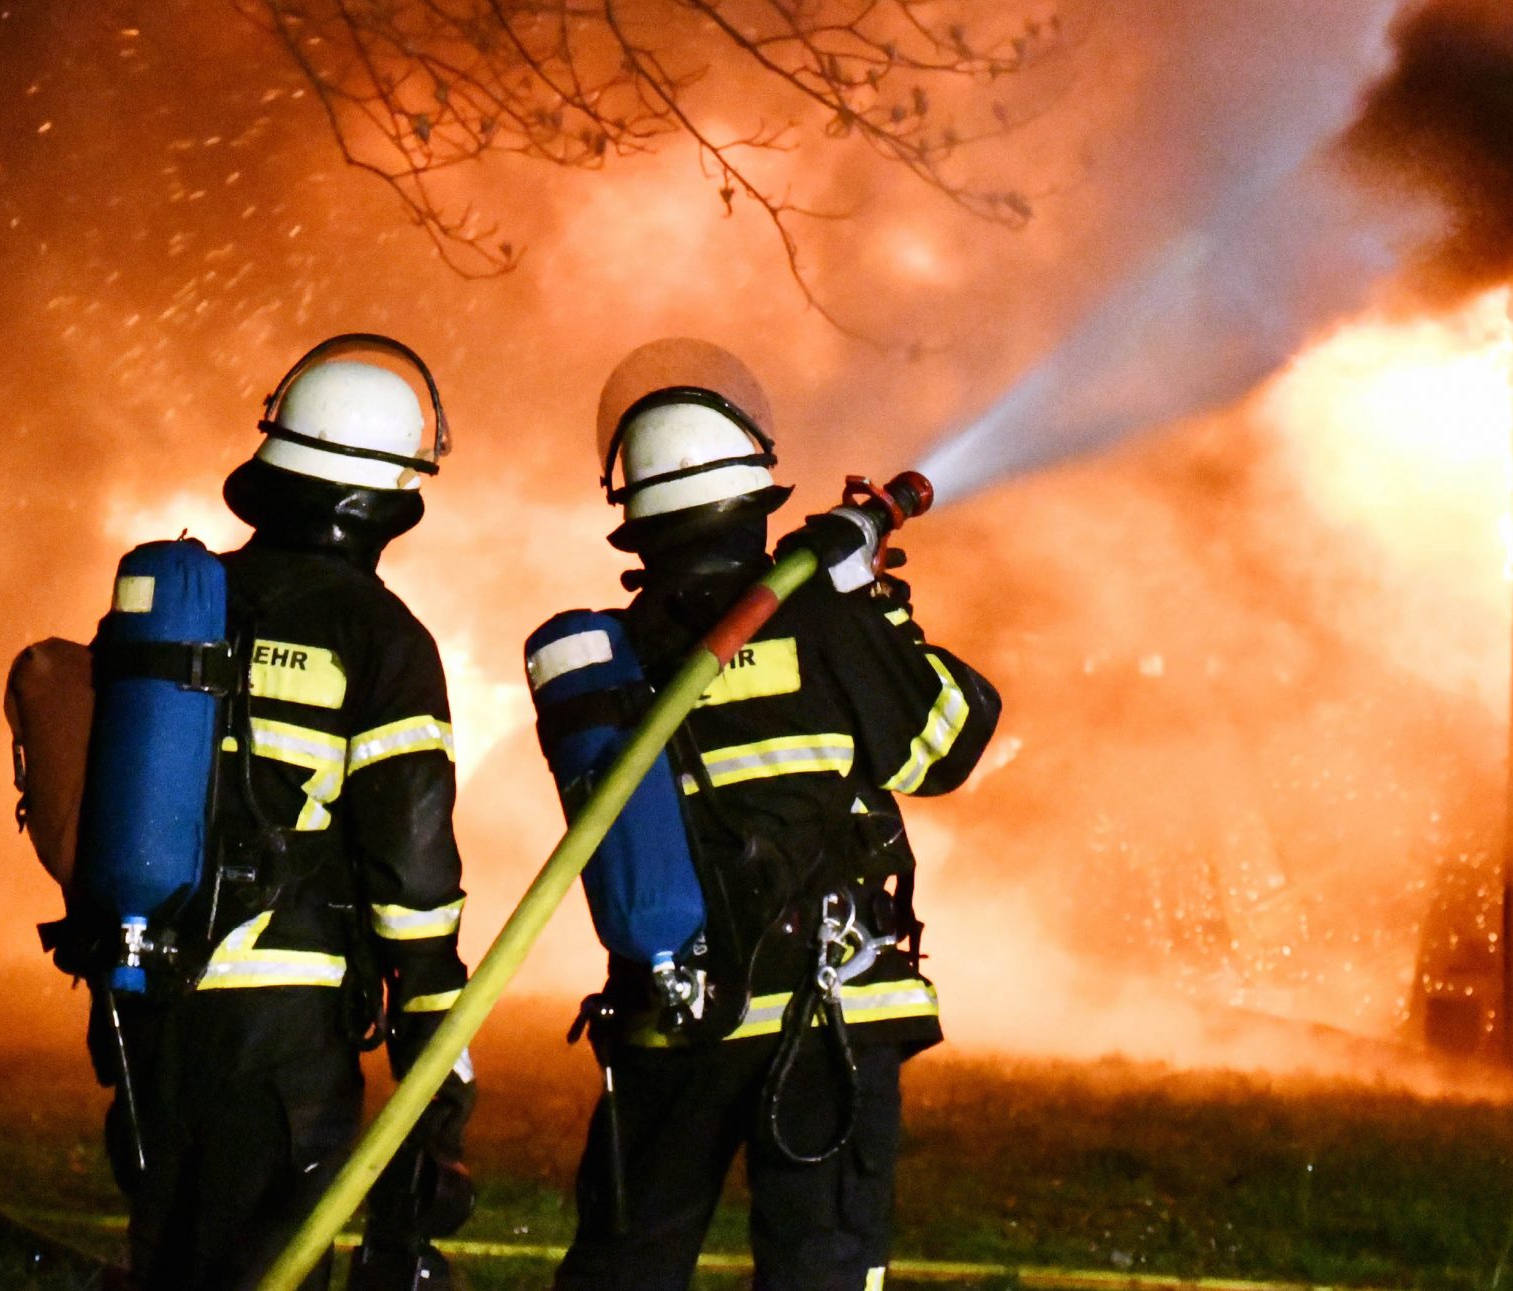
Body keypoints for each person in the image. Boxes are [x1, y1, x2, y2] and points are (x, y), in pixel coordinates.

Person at [543, 339, 1002, 1291]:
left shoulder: (621, 656)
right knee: (820, 1270)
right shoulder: (824, 624)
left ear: (636, 518)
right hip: (825, 1013)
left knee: (628, 1266)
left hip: (672, 1017)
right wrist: (876, 606)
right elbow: (946, 745)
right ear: (754, 494)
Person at [81, 336, 476, 1291]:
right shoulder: (380, 636)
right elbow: (411, 874)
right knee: (261, 1265)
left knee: (169, 1257)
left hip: (149, 999)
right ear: (374, 503)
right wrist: (435, 1046)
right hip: (284, 1027)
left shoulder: (184, 607)